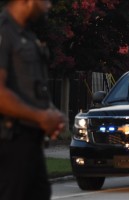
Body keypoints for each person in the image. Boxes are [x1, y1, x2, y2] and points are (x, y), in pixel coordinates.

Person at [0, 0, 66, 200]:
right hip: (10, 144)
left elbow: (32, 88)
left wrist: (52, 113)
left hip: (31, 145)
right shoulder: (4, 31)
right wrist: (40, 116)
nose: (49, 5)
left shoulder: (28, 35)